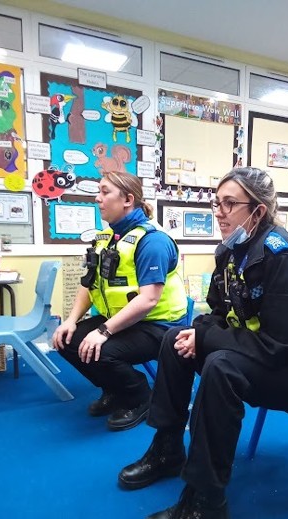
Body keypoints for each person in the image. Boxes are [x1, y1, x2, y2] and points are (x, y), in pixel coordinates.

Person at [118, 167, 288, 519]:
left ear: (258, 211)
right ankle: (167, 449)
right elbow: (218, 310)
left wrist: (208, 338)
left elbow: (280, 345)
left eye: (229, 203)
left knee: (221, 367)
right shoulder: (232, 249)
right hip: (272, 355)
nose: (219, 212)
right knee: (175, 339)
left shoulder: (280, 255)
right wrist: (200, 332)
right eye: (217, 202)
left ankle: (207, 504)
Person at [52, 172, 188, 431]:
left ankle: (140, 397)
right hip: (122, 319)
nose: (97, 198)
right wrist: (71, 320)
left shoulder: (153, 241)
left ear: (127, 199)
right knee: (66, 340)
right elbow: (88, 284)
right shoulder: (106, 238)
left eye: (105, 192)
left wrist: (103, 331)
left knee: (101, 351)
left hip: (159, 325)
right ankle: (114, 389)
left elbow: (148, 299)